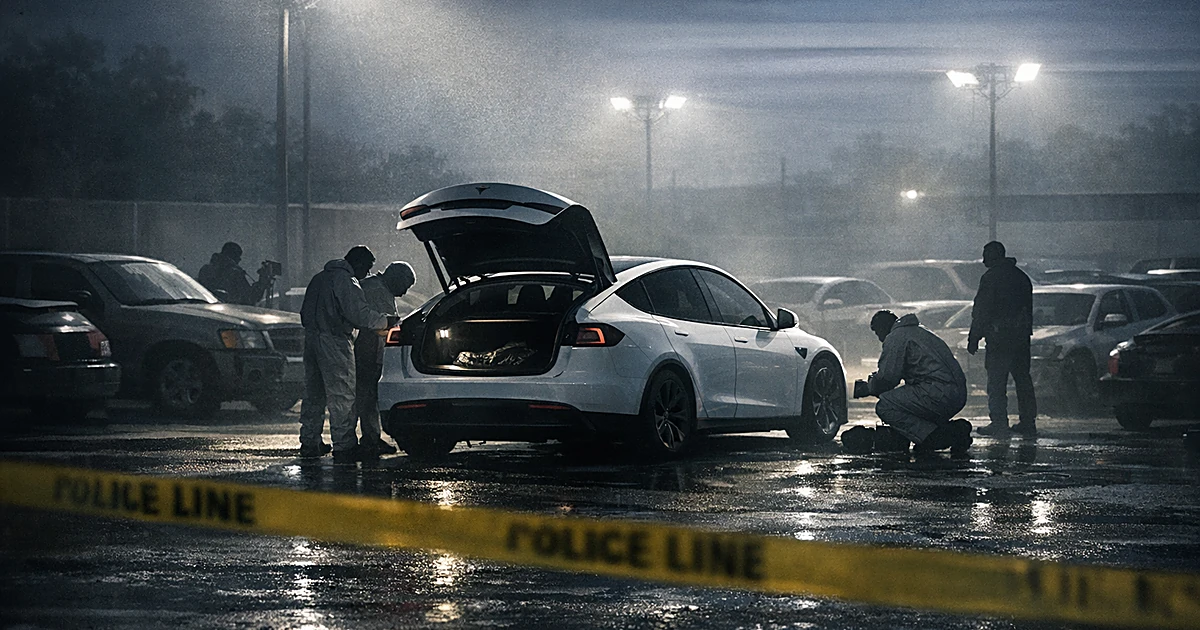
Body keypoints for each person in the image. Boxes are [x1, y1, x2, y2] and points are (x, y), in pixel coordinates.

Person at [298, 246, 389, 462]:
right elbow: (359, 314)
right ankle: (345, 445)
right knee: (342, 394)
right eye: (366, 268)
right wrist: (386, 321)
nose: (366, 274)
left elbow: (304, 312)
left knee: (314, 394)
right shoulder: (346, 281)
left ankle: (310, 441)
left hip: (311, 339)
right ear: (358, 263)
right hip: (335, 340)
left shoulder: (319, 278)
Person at [850, 310, 972, 455]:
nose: (879, 338)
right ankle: (952, 430)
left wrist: (867, 388)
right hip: (955, 393)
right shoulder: (920, 331)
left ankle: (932, 438)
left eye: (878, 333)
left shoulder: (896, 337)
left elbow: (887, 378)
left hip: (938, 393)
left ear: (883, 327)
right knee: (905, 401)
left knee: (885, 405)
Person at [967, 241, 1037, 437]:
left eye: (985, 255)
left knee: (997, 382)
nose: (983, 260)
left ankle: (999, 422)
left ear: (993, 256)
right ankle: (1028, 422)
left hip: (999, 340)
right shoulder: (1021, 277)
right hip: (1021, 339)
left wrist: (974, 337)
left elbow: (982, 310)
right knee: (1023, 380)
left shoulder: (991, 278)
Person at [355, 261, 416, 456]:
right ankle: (365, 440)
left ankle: (370, 438)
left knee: (368, 397)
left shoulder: (378, 287)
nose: (405, 293)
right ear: (396, 278)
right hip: (367, 351)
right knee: (365, 396)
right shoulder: (376, 290)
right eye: (405, 286)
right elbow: (380, 325)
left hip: (370, 350)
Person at [197, 242, 273, 306]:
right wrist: (262, 280)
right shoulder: (234, 273)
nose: (240, 260)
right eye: (238, 256)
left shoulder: (205, 269)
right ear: (234, 256)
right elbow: (250, 298)